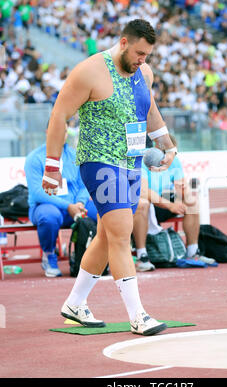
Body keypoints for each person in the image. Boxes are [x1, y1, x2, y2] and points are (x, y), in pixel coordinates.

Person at [42, 19, 177, 336]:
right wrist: (51, 166)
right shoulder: (89, 71)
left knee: (105, 236)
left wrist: (167, 144)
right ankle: (138, 316)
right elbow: (59, 115)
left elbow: (150, 108)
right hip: (99, 162)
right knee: (120, 233)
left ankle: (75, 303)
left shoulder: (144, 72)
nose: (142, 60)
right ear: (124, 42)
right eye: (139, 53)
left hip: (131, 163)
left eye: (147, 55)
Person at [24, 122, 98, 277]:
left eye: (65, 131)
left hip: (75, 206)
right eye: (57, 130)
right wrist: (68, 206)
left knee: (103, 212)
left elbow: (84, 184)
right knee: (49, 217)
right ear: (47, 132)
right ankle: (49, 255)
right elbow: (38, 192)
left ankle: (97, 255)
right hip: (46, 206)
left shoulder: (75, 155)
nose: (62, 134)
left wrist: (79, 203)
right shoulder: (35, 158)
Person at [134, 134, 217, 267]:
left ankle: (193, 251)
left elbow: (182, 187)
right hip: (149, 201)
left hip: (165, 198)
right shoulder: (144, 161)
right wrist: (170, 206)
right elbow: (143, 191)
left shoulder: (174, 161)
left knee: (191, 201)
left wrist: (184, 191)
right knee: (142, 202)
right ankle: (142, 255)